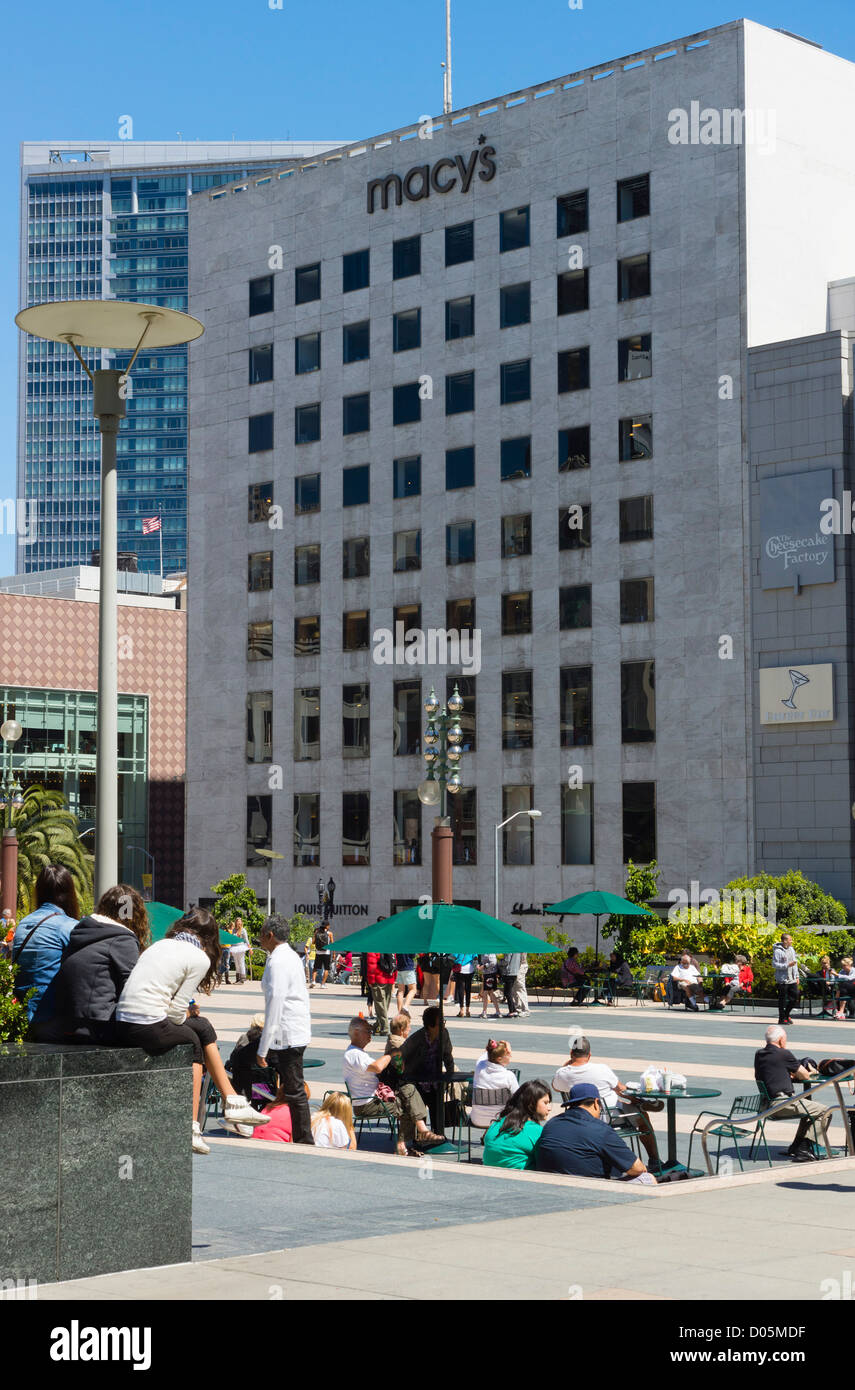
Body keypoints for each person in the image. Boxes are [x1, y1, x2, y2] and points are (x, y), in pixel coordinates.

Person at [115, 908, 269, 1154]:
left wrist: (186, 1013)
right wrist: (187, 1012)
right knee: (194, 1041)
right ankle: (195, 1125)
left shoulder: (159, 945)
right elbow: (176, 1014)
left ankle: (231, 1101)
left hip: (123, 1021)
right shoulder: (199, 957)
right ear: (209, 938)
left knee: (202, 1026)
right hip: (146, 1025)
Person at [47, 884, 150, 1043]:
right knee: (192, 1028)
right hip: (99, 1027)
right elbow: (133, 991)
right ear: (135, 915)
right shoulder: (123, 939)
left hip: (66, 1023)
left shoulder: (81, 932)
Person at [551, 1035, 661, 1171]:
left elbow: (555, 1086)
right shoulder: (601, 1069)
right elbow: (620, 1088)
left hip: (580, 1116)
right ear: (589, 1055)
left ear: (571, 1053)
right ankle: (655, 1160)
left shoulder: (562, 1073)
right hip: (612, 1115)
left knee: (619, 1100)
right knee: (643, 1117)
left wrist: (566, 1065)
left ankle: (637, 1104)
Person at [343, 1017, 444, 1155]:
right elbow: (378, 1067)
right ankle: (410, 1140)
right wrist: (391, 1054)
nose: (370, 1034)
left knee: (408, 1089)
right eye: (368, 1031)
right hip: (368, 1103)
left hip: (371, 1099)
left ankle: (412, 1138)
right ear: (355, 1032)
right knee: (409, 1102)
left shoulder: (358, 1053)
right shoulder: (354, 1054)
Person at [255, 914, 314, 1146]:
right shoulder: (288, 956)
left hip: (287, 1034)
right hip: (291, 1032)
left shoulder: (280, 961)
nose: (259, 938)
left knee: (294, 1089)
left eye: (261, 934)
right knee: (291, 1086)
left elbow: (276, 1002)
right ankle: (294, 1133)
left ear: (270, 935)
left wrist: (263, 1046)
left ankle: (304, 1139)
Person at [535, 1083, 656, 1184]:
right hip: (590, 1187)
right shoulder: (600, 1129)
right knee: (647, 1178)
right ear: (595, 1103)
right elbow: (638, 1169)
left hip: (549, 1184)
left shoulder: (552, 1123)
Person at [12, 864, 80, 1032]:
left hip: (22, 1015)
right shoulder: (69, 927)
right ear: (69, 893)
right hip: (53, 1016)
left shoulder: (23, 924)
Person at [754, 1024, 832, 1161]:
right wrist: (810, 1071)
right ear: (781, 1040)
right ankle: (805, 1149)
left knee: (808, 1108)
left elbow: (773, 1070)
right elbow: (805, 1076)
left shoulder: (759, 1054)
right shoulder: (784, 1054)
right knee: (825, 1111)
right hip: (781, 1103)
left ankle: (796, 1146)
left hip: (766, 1104)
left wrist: (787, 1073)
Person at [400, 1004, 455, 1133]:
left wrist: (449, 1075)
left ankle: (438, 1135)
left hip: (435, 1081)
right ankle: (420, 1138)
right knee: (420, 1113)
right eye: (441, 1022)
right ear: (431, 1025)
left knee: (437, 1111)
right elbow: (401, 1057)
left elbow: (448, 1056)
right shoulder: (416, 1039)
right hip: (417, 1082)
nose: (444, 1024)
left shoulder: (444, 1034)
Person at [483, 1080, 552, 1170]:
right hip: (519, 1180)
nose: (549, 1108)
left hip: (487, 1176)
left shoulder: (496, 1124)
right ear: (531, 1104)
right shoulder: (536, 1131)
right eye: (545, 1103)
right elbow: (546, 1163)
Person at [470, 1038, 519, 1127]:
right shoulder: (508, 1076)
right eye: (508, 1054)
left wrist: (496, 1048)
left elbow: (488, 1054)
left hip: (477, 1119)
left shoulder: (479, 1067)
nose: (510, 1056)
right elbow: (519, 1096)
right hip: (500, 1121)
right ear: (500, 1059)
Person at [226, 1012, 266, 1101]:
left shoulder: (245, 1038)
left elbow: (234, 1058)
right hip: (266, 1082)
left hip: (245, 1081)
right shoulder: (268, 1042)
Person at [366, 952, 396, 1036]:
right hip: (389, 978)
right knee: (385, 1005)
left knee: (380, 1004)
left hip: (378, 979)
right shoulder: (390, 946)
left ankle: (385, 1028)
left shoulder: (373, 948)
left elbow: (371, 965)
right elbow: (394, 962)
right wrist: (393, 978)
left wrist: (370, 980)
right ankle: (377, 1025)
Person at [773, 933, 800, 1025]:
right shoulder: (777, 951)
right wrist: (787, 965)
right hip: (782, 980)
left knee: (795, 997)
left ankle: (786, 1014)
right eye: (790, 940)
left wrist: (797, 976)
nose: (791, 941)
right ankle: (782, 1019)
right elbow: (774, 964)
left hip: (792, 978)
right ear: (785, 941)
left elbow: (795, 964)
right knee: (782, 1000)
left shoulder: (792, 949)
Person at [479, 953, 502, 1019]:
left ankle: (484, 1012)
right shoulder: (484, 951)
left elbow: (493, 962)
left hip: (490, 974)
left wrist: (484, 966)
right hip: (487, 973)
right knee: (491, 993)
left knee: (486, 993)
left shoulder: (490, 951)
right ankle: (497, 1011)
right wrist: (480, 965)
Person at [501, 948, 522, 1017]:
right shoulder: (517, 949)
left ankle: (512, 1011)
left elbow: (506, 961)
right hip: (515, 972)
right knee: (508, 992)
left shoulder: (509, 949)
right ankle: (513, 1010)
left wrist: (499, 962)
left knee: (507, 992)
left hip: (509, 972)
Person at [229, 917, 250, 984]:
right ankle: (237, 979)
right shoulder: (234, 930)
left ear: (241, 923)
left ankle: (242, 979)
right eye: (237, 921)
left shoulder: (243, 930)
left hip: (241, 947)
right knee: (236, 963)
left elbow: (246, 940)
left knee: (241, 963)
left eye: (240, 921)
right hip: (234, 948)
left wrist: (249, 948)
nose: (238, 922)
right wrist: (231, 949)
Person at [313, 920, 333, 988]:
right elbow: (332, 944)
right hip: (326, 953)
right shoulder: (329, 933)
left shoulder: (317, 932)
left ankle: (313, 981)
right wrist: (333, 954)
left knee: (315, 968)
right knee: (326, 969)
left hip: (318, 952)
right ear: (327, 926)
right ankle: (323, 984)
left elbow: (313, 942)